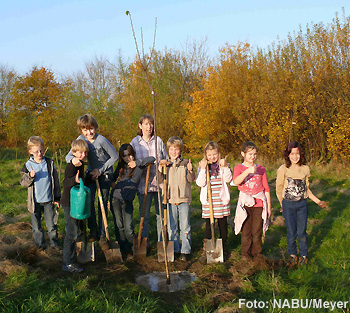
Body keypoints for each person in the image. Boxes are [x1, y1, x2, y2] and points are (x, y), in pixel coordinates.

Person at [66, 114, 118, 242]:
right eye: (85, 130)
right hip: (90, 174)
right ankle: (93, 231)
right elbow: (69, 156)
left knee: (103, 202)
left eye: (91, 128)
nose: (89, 132)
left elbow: (115, 156)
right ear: (81, 130)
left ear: (95, 127)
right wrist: (73, 159)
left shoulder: (102, 140)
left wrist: (100, 170)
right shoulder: (81, 139)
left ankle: (102, 232)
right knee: (89, 201)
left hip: (104, 173)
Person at [276, 141, 328, 267]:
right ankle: (293, 255)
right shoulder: (283, 169)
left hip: (302, 205)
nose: (295, 156)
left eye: (297, 153)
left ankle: (304, 256)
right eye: (292, 153)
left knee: (302, 231)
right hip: (288, 205)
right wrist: (282, 204)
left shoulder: (305, 169)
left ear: (301, 154)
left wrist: (318, 201)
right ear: (288, 155)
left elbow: (306, 190)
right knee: (291, 232)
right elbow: (279, 188)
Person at [110, 144, 155, 258]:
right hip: (116, 199)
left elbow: (152, 159)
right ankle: (124, 250)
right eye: (124, 156)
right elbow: (112, 178)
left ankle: (133, 247)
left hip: (128, 201)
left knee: (129, 228)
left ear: (133, 154)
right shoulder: (120, 167)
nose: (128, 158)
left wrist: (137, 162)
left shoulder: (138, 166)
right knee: (119, 226)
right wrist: (112, 183)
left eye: (129, 155)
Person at [130, 114, 168, 244]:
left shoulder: (159, 141)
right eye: (146, 124)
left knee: (161, 216)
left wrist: (164, 163)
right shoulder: (135, 143)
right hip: (143, 184)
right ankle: (143, 242)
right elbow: (131, 162)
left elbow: (166, 158)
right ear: (140, 126)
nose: (149, 127)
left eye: (151, 124)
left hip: (159, 184)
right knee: (144, 216)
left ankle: (161, 242)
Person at [20, 136, 61, 250]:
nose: (39, 153)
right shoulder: (28, 165)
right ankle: (40, 246)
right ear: (30, 152)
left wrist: (57, 198)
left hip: (48, 201)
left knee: (51, 226)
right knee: (37, 227)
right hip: (35, 202)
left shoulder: (49, 163)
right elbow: (23, 183)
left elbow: (55, 181)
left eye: (41, 150)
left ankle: (54, 244)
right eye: (36, 151)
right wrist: (29, 177)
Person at [233, 142, 271, 260]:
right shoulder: (238, 168)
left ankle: (257, 255)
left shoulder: (261, 169)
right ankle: (245, 255)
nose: (252, 157)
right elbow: (236, 182)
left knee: (256, 231)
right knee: (246, 231)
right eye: (250, 154)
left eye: (254, 154)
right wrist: (248, 171)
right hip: (245, 204)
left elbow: (266, 189)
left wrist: (269, 207)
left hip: (259, 204)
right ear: (243, 154)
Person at [159, 136, 195, 261]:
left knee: (185, 226)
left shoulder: (185, 163)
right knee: (171, 227)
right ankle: (175, 249)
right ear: (168, 150)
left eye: (176, 149)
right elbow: (159, 180)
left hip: (183, 199)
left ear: (180, 150)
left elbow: (191, 180)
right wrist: (160, 168)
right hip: (169, 200)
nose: (174, 152)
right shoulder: (165, 165)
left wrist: (190, 171)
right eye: (171, 149)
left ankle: (186, 250)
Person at [196, 141, 232, 257]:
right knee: (208, 225)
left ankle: (224, 246)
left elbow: (228, 179)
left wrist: (225, 166)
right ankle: (208, 248)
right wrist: (202, 169)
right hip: (209, 201)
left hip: (221, 201)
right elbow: (200, 183)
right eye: (209, 155)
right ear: (206, 156)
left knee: (222, 224)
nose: (212, 157)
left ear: (219, 154)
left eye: (215, 154)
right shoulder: (203, 167)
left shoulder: (223, 166)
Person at [61, 139, 89, 273]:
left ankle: (76, 256)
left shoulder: (80, 163)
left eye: (85, 152)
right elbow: (66, 182)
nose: (83, 155)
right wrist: (74, 180)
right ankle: (67, 262)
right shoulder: (71, 165)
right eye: (80, 152)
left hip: (77, 203)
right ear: (73, 152)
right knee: (71, 232)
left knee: (78, 230)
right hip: (69, 203)